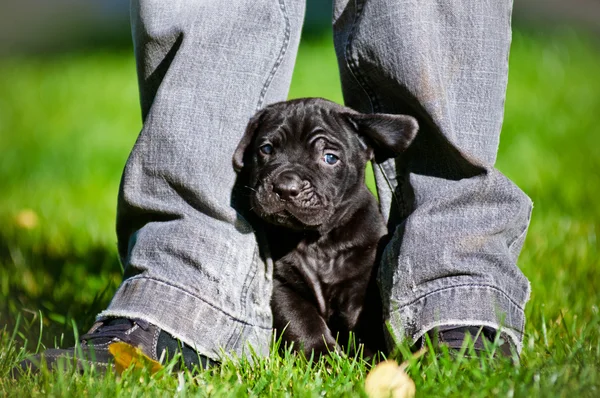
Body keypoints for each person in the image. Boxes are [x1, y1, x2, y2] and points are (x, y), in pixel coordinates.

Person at [18, 0, 531, 373]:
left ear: (366, 151)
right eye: (268, 153)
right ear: (245, 151)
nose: (287, 180)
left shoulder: (364, 226)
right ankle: (183, 289)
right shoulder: (274, 232)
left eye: (327, 156)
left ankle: (456, 294)